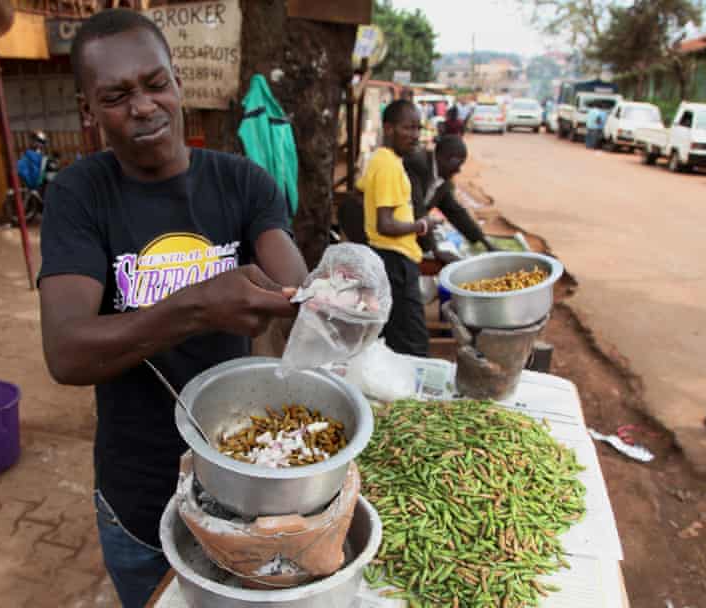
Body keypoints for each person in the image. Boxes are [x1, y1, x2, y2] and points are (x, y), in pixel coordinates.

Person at [38, 9, 308, 606]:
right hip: (139, 495)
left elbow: (295, 287)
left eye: (155, 83)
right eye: (116, 95)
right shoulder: (79, 196)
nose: (143, 106)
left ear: (177, 82)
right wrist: (194, 308)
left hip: (248, 482)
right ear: (89, 110)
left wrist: (328, 295)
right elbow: (66, 350)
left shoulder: (243, 182)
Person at [356, 99, 431, 357]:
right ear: (388, 128)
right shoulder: (388, 165)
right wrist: (420, 225)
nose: (415, 136)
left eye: (418, 128)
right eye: (408, 128)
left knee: (394, 339)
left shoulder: (382, 159)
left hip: (388, 260)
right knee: (413, 344)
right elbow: (385, 224)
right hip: (395, 261)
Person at [403, 135, 497, 253]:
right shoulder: (417, 165)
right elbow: (417, 210)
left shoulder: (443, 179)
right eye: (457, 164)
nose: (458, 170)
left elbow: (455, 211)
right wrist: (435, 250)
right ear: (443, 157)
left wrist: (484, 241)